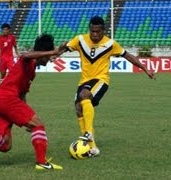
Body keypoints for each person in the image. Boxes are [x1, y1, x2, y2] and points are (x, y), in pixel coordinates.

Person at [59, 16, 155, 157]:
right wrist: (56, 53)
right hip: (84, 80)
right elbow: (65, 47)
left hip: (101, 80)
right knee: (78, 108)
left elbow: (128, 56)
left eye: (98, 31)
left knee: (85, 95)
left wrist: (145, 68)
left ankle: (88, 133)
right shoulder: (80, 40)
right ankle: (92, 148)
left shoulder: (110, 44)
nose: (95, 34)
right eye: (92, 31)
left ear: (103, 30)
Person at [0, 33, 64, 170]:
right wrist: (54, 51)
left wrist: (26, 118)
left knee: (5, 145)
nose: (49, 59)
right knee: (38, 124)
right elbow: (25, 55)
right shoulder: (28, 61)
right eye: (48, 57)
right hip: (7, 99)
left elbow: (22, 95)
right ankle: (42, 163)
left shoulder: (32, 71)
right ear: (43, 54)